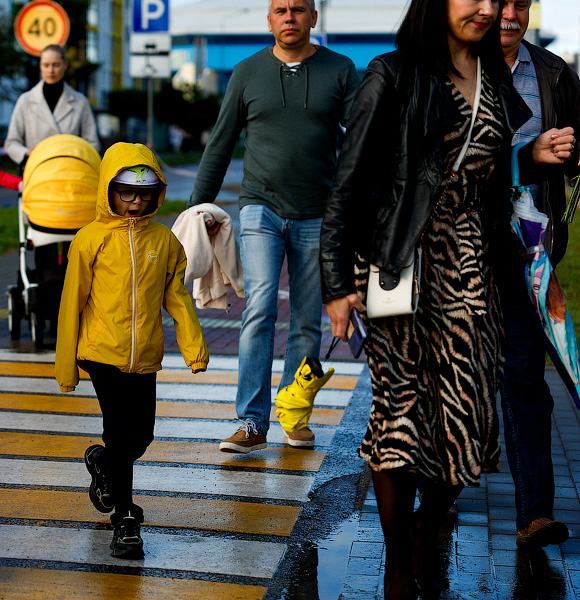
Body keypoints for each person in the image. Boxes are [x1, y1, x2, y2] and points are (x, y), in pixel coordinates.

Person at [320, 0, 576, 596]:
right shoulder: (392, 73)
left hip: (471, 267)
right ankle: (396, 565)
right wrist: (336, 285)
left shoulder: (494, 80)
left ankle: (427, 524)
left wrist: (528, 156)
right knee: (401, 413)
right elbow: (349, 183)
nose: (486, 8)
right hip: (398, 261)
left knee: (467, 420)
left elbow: (482, 172)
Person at [188, 0, 359, 453]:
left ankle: (292, 411)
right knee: (260, 306)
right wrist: (195, 211)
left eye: (298, 9)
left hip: (318, 213)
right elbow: (220, 143)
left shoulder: (341, 70)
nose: (289, 17)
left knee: (306, 316)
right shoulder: (246, 73)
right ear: (269, 20)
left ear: (312, 18)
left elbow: (366, 137)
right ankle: (251, 420)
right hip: (260, 208)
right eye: (280, 9)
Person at [55, 143, 208, 559]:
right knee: (123, 434)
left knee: (141, 436)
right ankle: (124, 520)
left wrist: (193, 347)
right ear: (108, 190)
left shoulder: (165, 241)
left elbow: (176, 297)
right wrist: (66, 366)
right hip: (101, 354)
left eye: (144, 193)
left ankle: (103, 463)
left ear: (157, 193)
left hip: (145, 357)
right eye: (126, 192)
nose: (136, 201)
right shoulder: (89, 240)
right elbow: (72, 303)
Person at [497, 0, 580, 549]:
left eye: (520, 4)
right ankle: (435, 493)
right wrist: (526, 155)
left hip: (529, 250)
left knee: (525, 373)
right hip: (451, 246)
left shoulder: (552, 72)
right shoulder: (442, 70)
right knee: (448, 377)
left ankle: (534, 514)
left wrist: (569, 152)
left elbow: (575, 154)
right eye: (499, 2)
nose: (509, 14)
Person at [3, 44, 100, 168]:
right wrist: (27, 153)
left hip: (71, 172)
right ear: (40, 66)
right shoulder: (26, 100)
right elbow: (11, 143)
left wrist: (75, 155)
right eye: (46, 65)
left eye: (56, 65)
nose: (51, 70)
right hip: (36, 172)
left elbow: (93, 143)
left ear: (65, 65)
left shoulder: (80, 102)